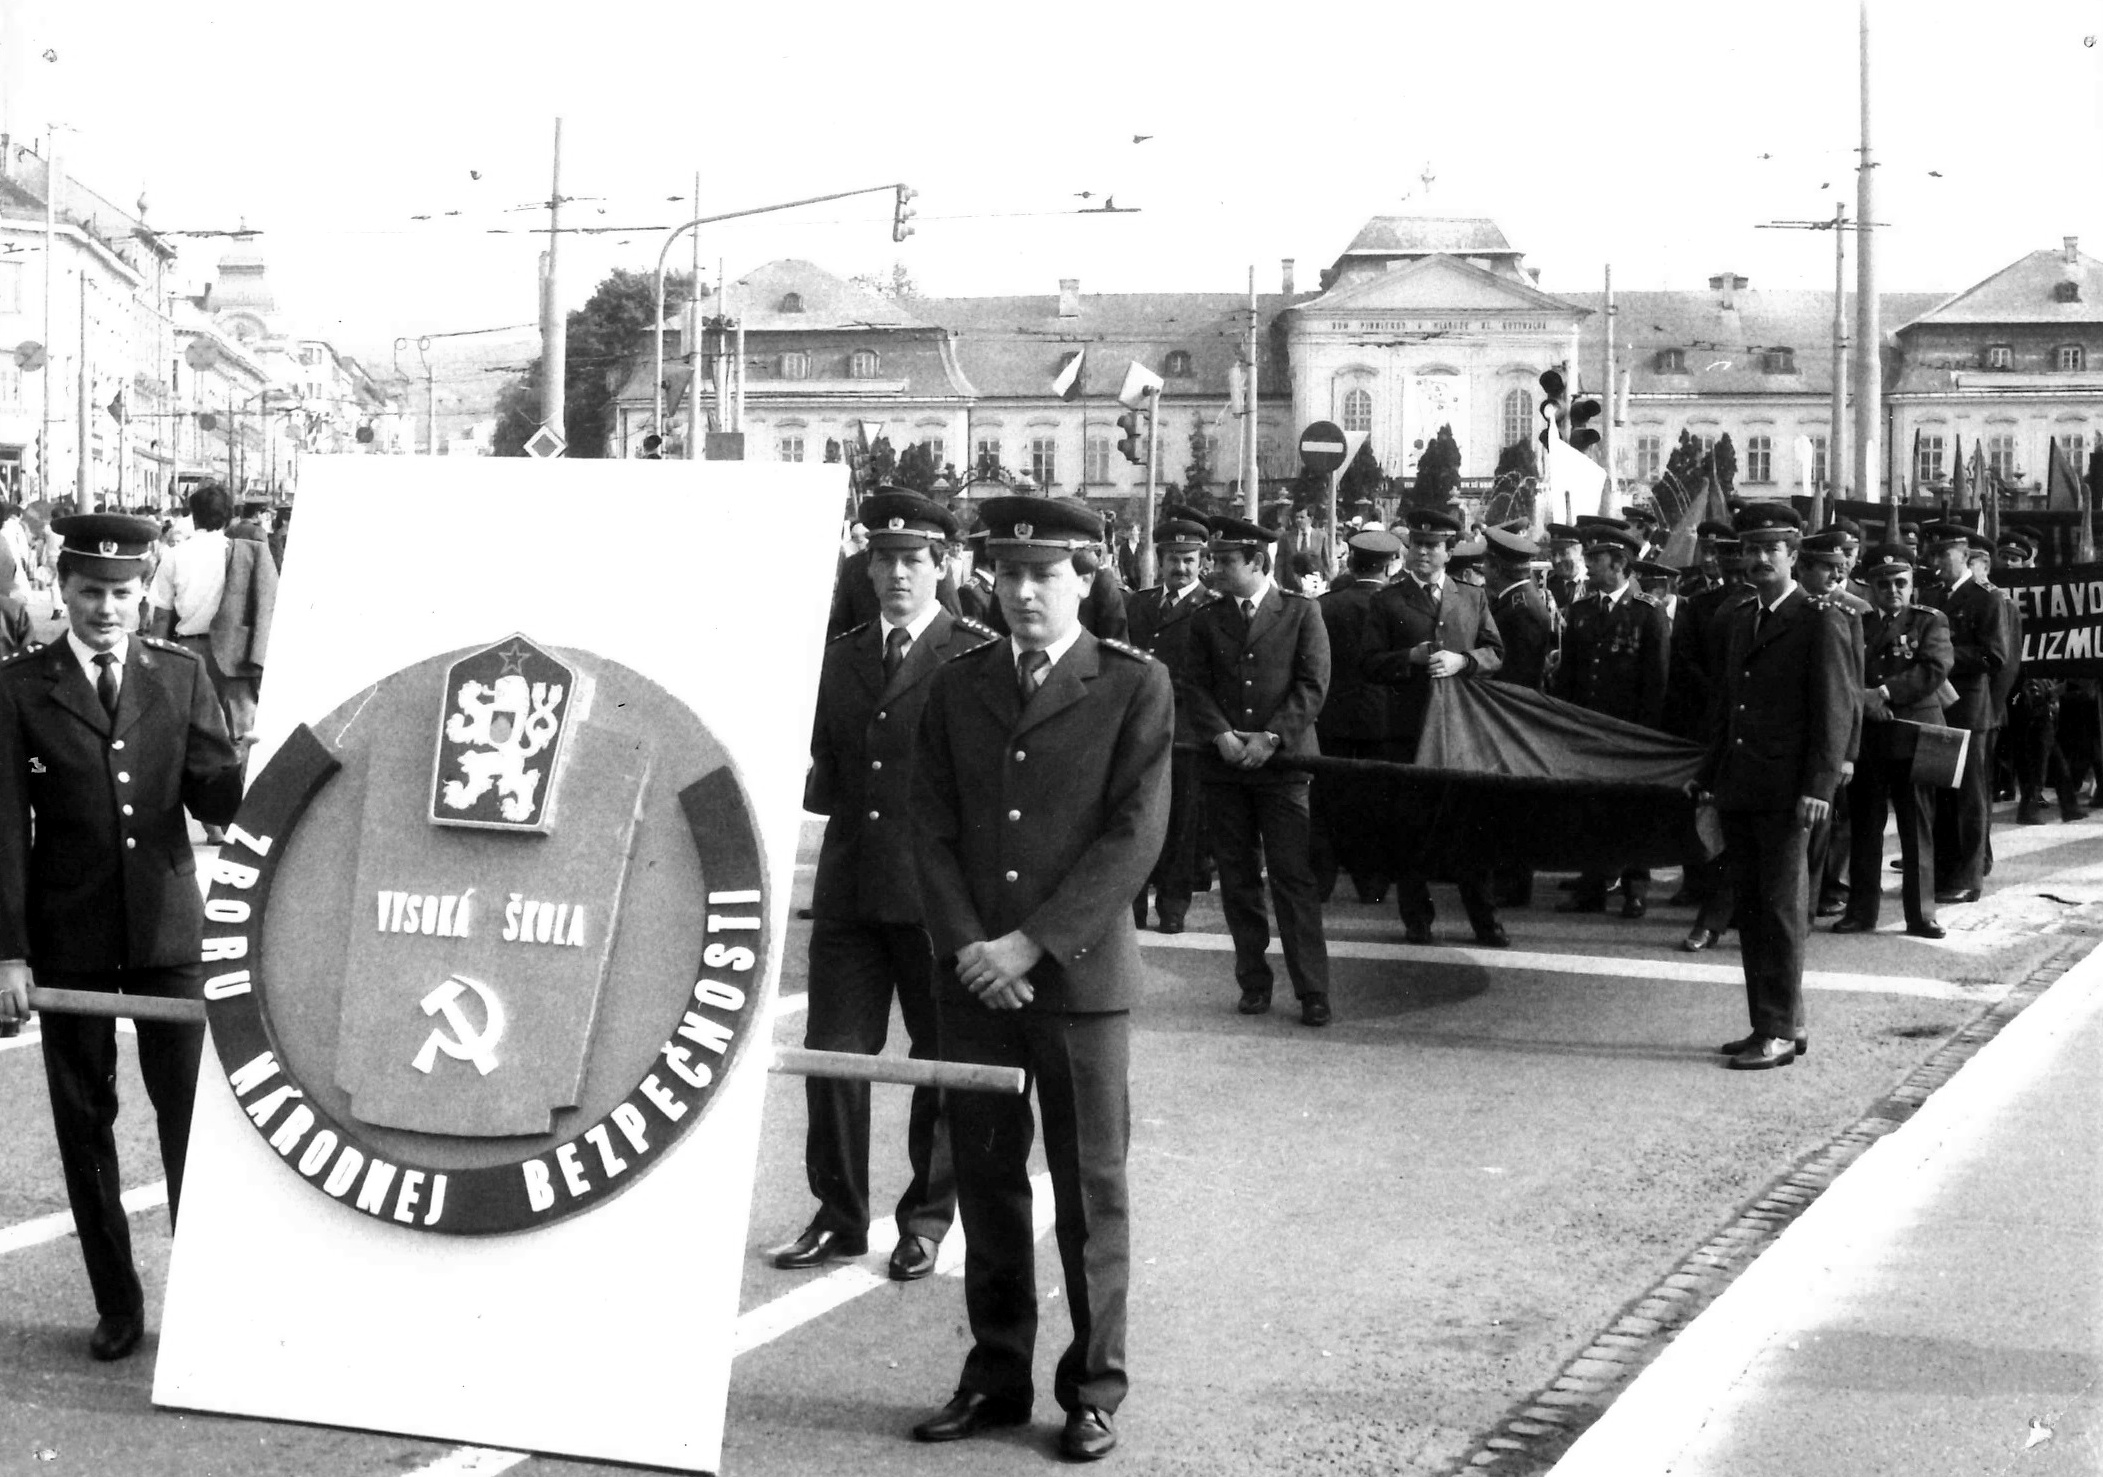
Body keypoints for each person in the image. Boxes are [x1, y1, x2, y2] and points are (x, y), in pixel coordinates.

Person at [909, 495, 1171, 1462]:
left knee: (1090, 1188)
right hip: (976, 981)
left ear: (1087, 578)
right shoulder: (959, 682)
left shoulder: (1132, 683)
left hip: (1075, 980)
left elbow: (1133, 836)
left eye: (1045, 574)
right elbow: (928, 826)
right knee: (985, 1183)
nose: (1023, 592)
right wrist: (970, 948)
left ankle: (1093, 1389)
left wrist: (1029, 945)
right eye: (1009, 573)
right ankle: (994, 1375)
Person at [0, 513, 243, 1360]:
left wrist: (260, 770)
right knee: (84, 1123)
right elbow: (5, 830)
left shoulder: (178, 675)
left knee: (191, 1122)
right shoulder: (19, 687)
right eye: (90, 592)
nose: (106, 608)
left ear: (144, 593)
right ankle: (117, 1301)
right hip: (69, 935)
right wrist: (9, 952)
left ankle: (204, 1304)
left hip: (169, 932)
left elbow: (217, 797)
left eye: (122, 592)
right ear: (62, 590)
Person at [771, 491, 995, 1281]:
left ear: (942, 566)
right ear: (865, 569)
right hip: (851, 888)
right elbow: (825, 774)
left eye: (912, 560)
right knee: (834, 1056)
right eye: (884, 560)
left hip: (934, 898)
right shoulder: (841, 655)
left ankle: (925, 1220)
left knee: (938, 1059)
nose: (897, 574)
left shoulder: (973, 654)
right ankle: (837, 1215)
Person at [1691, 502, 1854, 1070]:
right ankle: (1778, 1022)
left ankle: (1778, 1030)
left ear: (1793, 554)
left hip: (1789, 791)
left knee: (1782, 910)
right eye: (1750, 549)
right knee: (1754, 910)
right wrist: (1708, 775)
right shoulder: (1743, 617)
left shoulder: (1820, 619)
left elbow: (1835, 710)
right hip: (1743, 783)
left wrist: (1820, 788)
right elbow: (1729, 707)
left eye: (1771, 549)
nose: (1759, 559)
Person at [1184, 514, 1335, 1021]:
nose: (1214, 569)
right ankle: (1253, 982)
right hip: (1226, 766)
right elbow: (1194, 685)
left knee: (1293, 878)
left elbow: (1312, 685)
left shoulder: (1300, 612)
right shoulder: (1206, 618)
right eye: (1214, 559)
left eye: (1226, 561)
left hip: (1284, 766)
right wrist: (1222, 735)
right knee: (1239, 878)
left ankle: (1312, 990)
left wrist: (1271, 737)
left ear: (1257, 563)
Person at [1360, 507, 1508, 946]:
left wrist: (1464, 661)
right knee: (1412, 829)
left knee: (1470, 827)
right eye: (1418, 545)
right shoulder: (1387, 600)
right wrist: (1407, 658)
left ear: (1449, 552)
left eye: (1434, 546)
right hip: (1408, 729)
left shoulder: (1472, 596)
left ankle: (1485, 920)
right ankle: (1417, 919)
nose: (1424, 553)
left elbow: (1495, 652)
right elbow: (1367, 663)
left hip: (1461, 730)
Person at [1550, 522, 1671, 920]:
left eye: (1595, 558)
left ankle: (1635, 888)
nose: (1587, 565)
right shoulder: (1582, 611)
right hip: (1589, 729)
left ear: (1619, 564)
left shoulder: (1648, 613)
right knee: (1593, 809)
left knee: (1634, 810)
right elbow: (1569, 676)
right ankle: (1592, 886)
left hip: (1630, 733)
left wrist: (1645, 737)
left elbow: (1657, 682)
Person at [1835, 543, 1951, 939]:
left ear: (1912, 583)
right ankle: (1861, 911)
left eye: (1901, 582)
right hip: (1868, 737)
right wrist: (1864, 701)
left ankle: (1921, 914)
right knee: (1865, 826)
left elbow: (1934, 668)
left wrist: (1882, 694)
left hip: (1914, 735)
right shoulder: (1857, 622)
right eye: (1884, 584)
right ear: (1870, 587)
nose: (1893, 590)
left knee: (1916, 827)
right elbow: (1843, 671)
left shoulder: (1929, 621)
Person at [1124, 509, 1218, 932]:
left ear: (1202, 563)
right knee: (1135, 817)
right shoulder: (1140, 603)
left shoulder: (1212, 607)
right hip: (1140, 728)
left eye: (1189, 560)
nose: (1180, 568)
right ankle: (1133, 907)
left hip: (1186, 731)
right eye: (1173, 560)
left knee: (1181, 823)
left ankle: (1173, 906)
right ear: (1160, 561)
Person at [1312, 528, 1401, 905]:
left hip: (1332, 715)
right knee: (1374, 801)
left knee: (1326, 800)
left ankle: (1320, 879)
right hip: (1382, 718)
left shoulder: (1325, 605)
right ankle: (1372, 883)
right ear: (1390, 566)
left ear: (1350, 561)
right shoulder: (1398, 606)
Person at [1920, 524, 2007, 904]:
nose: (1937, 562)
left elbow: (1994, 655)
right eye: (1933, 554)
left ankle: (1969, 877)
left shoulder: (1987, 598)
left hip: (1967, 707)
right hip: (1935, 703)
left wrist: (1943, 655)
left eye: (1944, 554)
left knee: (1969, 796)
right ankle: (1942, 871)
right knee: (1940, 791)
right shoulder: (1931, 596)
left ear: (1965, 556)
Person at [1797, 530, 1870, 921]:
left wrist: (1848, 754)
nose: (1837, 576)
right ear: (1803, 567)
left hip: (1825, 743)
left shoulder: (1847, 613)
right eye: (1827, 567)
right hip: (1787, 741)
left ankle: (1808, 909)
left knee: (1819, 832)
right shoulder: (1788, 609)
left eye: (1840, 567)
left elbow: (1850, 690)